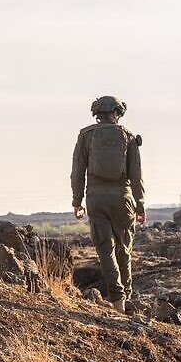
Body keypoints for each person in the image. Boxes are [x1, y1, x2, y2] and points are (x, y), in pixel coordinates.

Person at [71, 95, 145, 311]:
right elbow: (136, 175)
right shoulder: (128, 137)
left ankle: (117, 299)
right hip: (123, 198)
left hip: (95, 198)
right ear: (117, 113)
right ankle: (126, 296)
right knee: (124, 249)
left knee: (105, 250)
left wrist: (78, 201)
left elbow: (78, 172)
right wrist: (140, 206)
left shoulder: (86, 135)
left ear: (97, 114)